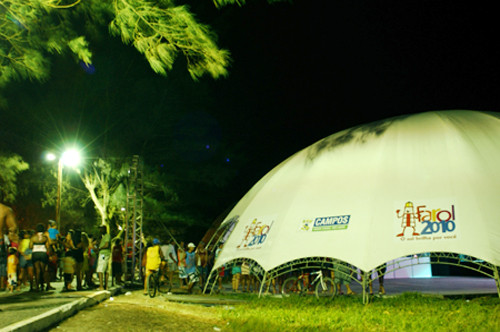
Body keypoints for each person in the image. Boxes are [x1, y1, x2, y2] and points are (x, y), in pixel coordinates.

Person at [0, 203, 17, 290]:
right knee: (2, 264)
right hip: (0, 241)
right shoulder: (5, 209)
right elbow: (13, 228)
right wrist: (13, 244)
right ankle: (2, 285)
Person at [30, 223, 49, 291]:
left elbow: (30, 246)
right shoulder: (45, 237)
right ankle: (43, 286)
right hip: (43, 253)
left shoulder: (33, 237)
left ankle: (37, 286)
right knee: (43, 270)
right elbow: (47, 246)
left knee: (37, 270)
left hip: (35, 253)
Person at [96, 225, 111, 290]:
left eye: (101, 229)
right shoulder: (102, 237)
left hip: (103, 254)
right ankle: (106, 286)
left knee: (100, 270)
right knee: (105, 270)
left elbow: (106, 245)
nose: (100, 230)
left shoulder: (107, 236)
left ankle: (101, 286)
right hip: (105, 254)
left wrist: (100, 248)